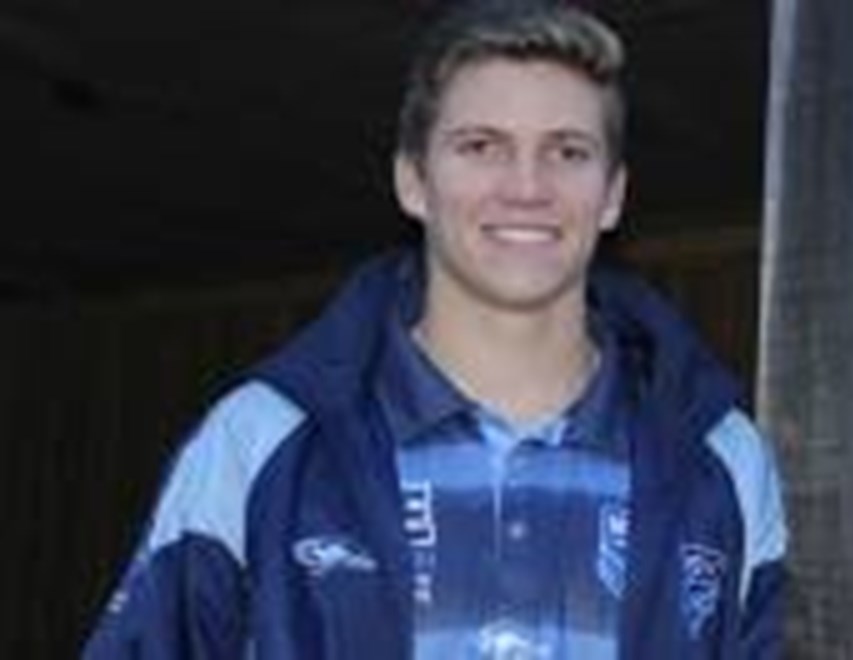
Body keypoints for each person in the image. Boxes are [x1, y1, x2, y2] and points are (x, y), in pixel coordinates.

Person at [84, 1, 787, 658]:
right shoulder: (260, 439)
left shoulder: (722, 461)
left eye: (568, 151)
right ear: (412, 181)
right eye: (480, 146)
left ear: (613, 195)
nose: (526, 187)